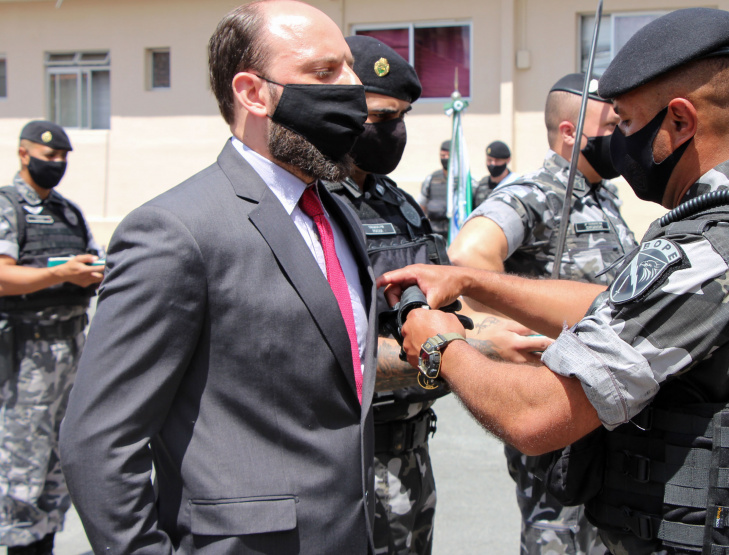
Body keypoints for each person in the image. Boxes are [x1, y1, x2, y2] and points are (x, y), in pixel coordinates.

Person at [380, 8, 729, 555]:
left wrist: (443, 344)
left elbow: (536, 416)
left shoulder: (707, 252)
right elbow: (620, 305)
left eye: (627, 123)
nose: (620, 141)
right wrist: (472, 280)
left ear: (679, 122)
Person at [59, 2, 379, 553]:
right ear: (254, 93)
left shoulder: (337, 213)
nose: (355, 89)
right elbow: (98, 441)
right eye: (325, 73)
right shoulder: (175, 230)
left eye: (349, 68)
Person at [329, 35, 546, 555]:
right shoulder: (313, 207)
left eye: (402, 116)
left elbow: (447, 303)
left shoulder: (398, 203)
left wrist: (494, 329)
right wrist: (461, 354)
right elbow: (331, 356)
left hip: (411, 457)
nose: (395, 131)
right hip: (344, 466)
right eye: (381, 118)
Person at [448, 73, 637, 555]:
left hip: (604, 406)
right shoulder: (537, 193)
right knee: (559, 538)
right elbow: (469, 255)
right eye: (610, 124)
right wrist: (521, 337)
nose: (621, 133)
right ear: (571, 133)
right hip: (558, 412)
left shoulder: (605, 196)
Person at [0, 121, 104, 555]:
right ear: (24, 154)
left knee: (57, 465)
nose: (56, 164)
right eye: (48, 156)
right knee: (23, 463)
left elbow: (94, 260)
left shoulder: (68, 211)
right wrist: (59, 274)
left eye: (62, 157)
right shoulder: (8, 207)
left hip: (71, 349)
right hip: (26, 354)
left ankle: (42, 541)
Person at [419, 141, 451, 235]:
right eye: (442, 155)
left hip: (456, 235)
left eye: (448, 155)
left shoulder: (465, 181)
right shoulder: (432, 179)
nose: (445, 158)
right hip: (435, 233)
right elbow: (421, 206)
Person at [472, 140, 516, 209]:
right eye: (489, 160)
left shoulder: (514, 185)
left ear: (508, 160)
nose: (493, 164)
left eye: (497, 160)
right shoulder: (482, 184)